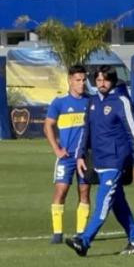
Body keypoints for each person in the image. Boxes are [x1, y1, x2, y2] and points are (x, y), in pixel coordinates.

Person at [66, 66, 134, 257]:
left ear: (112, 81)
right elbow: (86, 130)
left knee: (103, 202)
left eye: (106, 80)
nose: (102, 84)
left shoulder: (121, 101)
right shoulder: (92, 101)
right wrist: (79, 156)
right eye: (99, 80)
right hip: (99, 160)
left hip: (116, 160)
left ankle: (84, 241)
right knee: (118, 203)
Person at [43, 65, 93, 244]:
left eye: (83, 80)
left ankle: (81, 233)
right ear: (70, 81)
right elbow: (48, 125)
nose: (81, 84)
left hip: (85, 156)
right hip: (66, 156)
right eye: (78, 80)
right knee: (61, 190)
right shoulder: (59, 102)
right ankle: (57, 233)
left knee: (85, 191)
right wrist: (56, 148)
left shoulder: (91, 101)